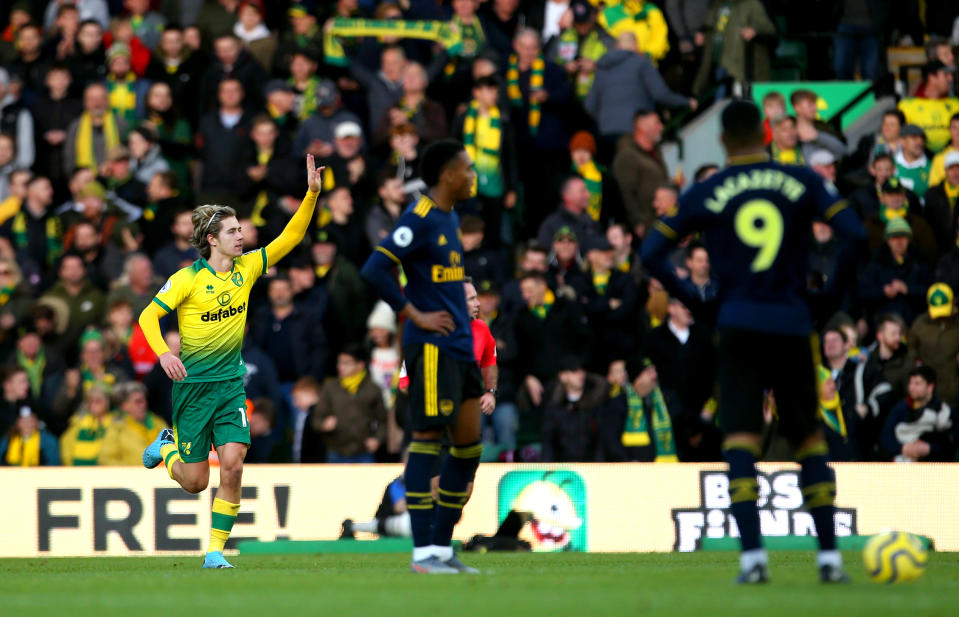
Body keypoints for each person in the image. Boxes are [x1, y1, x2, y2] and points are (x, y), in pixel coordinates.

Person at [640, 100, 865, 583]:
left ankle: (752, 560)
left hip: (736, 322)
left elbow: (651, 251)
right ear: (765, 135)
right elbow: (856, 235)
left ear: (722, 141)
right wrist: (825, 300)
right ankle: (828, 558)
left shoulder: (707, 188)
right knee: (807, 436)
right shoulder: (802, 179)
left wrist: (697, 299)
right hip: (790, 320)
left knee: (740, 437)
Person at [138, 155, 325, 569]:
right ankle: (167, 449)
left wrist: (311, 195)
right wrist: (165, 353)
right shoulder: (186, 279)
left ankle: (215, 552)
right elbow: (147, 316)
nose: (242, 236)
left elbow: (289, 238)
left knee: (234, 467)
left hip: (230, 386)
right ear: (211, 239)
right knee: (194, 481)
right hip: (192, 389)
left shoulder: (248, 268)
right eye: (233, 231)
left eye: (241, 230)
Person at [360, 140, 484, 574]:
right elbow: (375, 266)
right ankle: (423, 554)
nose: (473, 176)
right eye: (467, 169)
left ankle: (443, 548)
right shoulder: (421, 216)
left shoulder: (450, 216)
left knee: (469, 448)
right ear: (448, 175)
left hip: (459, 348)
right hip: (430, 349)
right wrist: (412, 313)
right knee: (427, 445)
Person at [311, 344, 387, 463]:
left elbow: (383, 420)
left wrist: (377, 439)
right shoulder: (330, 387)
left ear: (360, 365)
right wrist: (324, 425)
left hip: (364, 453)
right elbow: (316, 419)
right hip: (335, 452)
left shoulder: (373, 389)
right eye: (339, 362)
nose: (340, 367)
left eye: (346, 363)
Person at [881, 365, 957, 462]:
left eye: (917, 384)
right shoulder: (900, 409)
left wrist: (929, 448)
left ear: (930, 387)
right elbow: (886, 436)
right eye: (910, 383)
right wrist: (903, 448)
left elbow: (952, 439)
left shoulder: (944, 410)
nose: (911, 388)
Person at [98, 381, 169, 465]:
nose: (144, 404)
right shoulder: (117, 429)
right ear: (124, 406)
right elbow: (105, 459)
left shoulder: (159, 423)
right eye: (138, 401)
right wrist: (129, 473)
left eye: (144, 400)